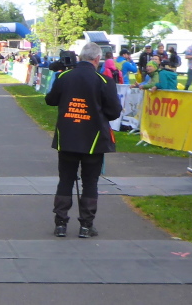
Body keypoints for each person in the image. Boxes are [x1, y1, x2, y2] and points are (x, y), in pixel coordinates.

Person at [45, 43, 121, 238]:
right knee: (90, 182)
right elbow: (114, 112)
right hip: (93, 138)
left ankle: (60, 224)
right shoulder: (104, 81)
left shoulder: (64, 77)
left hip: (68, 137)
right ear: (97, 59)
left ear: (80, 57)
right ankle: (86, 225)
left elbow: (50, 100)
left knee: (65, 180)